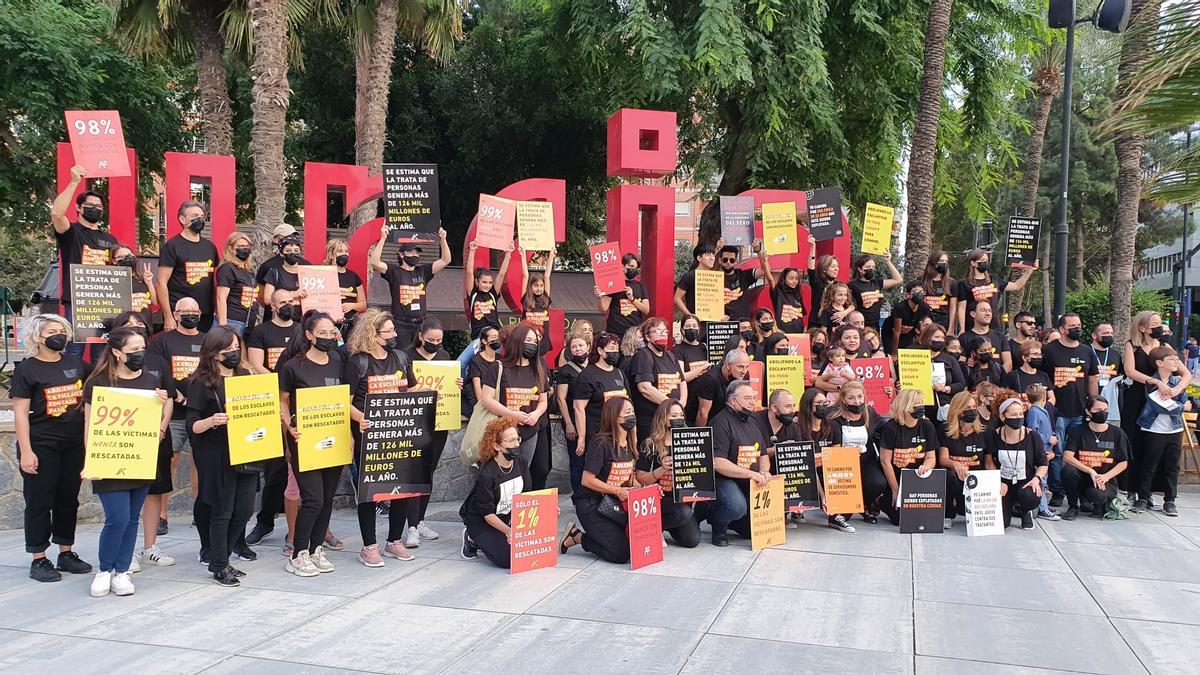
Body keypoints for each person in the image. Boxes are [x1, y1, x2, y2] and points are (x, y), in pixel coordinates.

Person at [81, 328, 172, 597]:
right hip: (109, 459)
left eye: (143, 348)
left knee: (132, 518)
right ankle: (104, 569)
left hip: (140, 459)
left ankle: (122, 571)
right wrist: (92, 459)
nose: (140, 354)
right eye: (134, 350)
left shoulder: (149, 382)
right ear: (117, 353)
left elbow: (157, 418)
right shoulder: (98, 382)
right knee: (117, 518)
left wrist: (161, 407)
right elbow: (89, 425)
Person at [13, 315, 93, 582]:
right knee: (39, 502)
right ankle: (39, 557)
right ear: (37, 336)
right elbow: (21, 414)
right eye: (52, 331)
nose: (59, 335)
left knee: (68, 499)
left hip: (72, 445)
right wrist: (26, 451)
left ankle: (66, 552)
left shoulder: (77, 365)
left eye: (62, 331)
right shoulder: (27, 369)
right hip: (41, 444)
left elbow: (99, 391)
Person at [343, 309, 416, 565]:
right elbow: (345, 401)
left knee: (402, 489)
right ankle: (369, 546)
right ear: (373, 335)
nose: (395, 335)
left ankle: (394, 541)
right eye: (389, 331)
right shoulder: (357, 363)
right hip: (369, 438)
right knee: (370, 491)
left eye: (394, 330)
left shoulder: (400, 358)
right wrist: (359, 418)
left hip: (399, 433)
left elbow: (412, 388)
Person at [187, 326, 258, 586]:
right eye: (227, 349)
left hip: (246, 449)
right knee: (223, 510)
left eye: (236, 347)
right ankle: (219, 563)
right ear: (214, 353)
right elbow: (192, 425)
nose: (233, 352)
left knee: (245, 509)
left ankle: (223, 556)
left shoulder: (245, 376)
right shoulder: (201, 382)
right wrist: (212, 421)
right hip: (216, 453)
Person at [279, 312, 347, 576]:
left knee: (327, 498)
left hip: (334, 437)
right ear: (308, 335)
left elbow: (343, 398)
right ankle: (298, 554)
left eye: (332, 332)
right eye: (322, 333)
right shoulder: (292, 366)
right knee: (313, 499)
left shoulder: (338, 361)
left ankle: (317, 548)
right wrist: (288, 427)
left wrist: (350, 435)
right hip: (304, 440)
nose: (328, 337)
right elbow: (283, 401)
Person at [242, 289, 301, 548]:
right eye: (282, 302)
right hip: (274, 403)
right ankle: (265, 522)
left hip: (302, 405)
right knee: (276, 470)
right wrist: (283, 380)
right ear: (273, 306)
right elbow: (256, 366)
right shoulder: (261, 332)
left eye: (291, 301)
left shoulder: (302, 329)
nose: (287, 305)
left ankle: (315, 527)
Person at [148, 298, 208, 529]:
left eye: (195, 311)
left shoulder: (207, 340)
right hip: (172, 413)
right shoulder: (161, 341)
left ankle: (200, 511)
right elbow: (157, 374)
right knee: (168, 463)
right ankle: (162, 515)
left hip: (201, 413)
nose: (190, 315)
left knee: (200, 464)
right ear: (175, 314)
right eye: (185, 311)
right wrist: (179, 396)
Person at [402, 318, 461, 545]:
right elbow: (401, 387)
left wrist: (455, 384)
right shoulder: (406, 357)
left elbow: (451, 386)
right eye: (431, 340)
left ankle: (420, 520)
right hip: (415, 422)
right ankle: (412, 526)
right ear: (420, 336)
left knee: (428, 472)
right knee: (414, 474)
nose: (435, 344)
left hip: (440, 422)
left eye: (439, 340)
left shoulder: (445, 357)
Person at [559, 397, 638, 562]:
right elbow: (587, 480)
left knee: (634, 542)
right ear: (614, 417)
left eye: (632, 412)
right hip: (591, 504)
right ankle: (578, 537)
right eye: (627, 413)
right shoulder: (601, 442)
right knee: (620, 554)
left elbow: (629, 478)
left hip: (613, 504)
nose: (632, 417)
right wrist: (617, 491)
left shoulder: (629, 443)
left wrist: (645, 489)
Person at [51, 165, 120, 355]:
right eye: (90, 206)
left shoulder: (111, 240)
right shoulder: (71, 232)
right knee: (74, 351)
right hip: (77, 302)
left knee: (102, 355)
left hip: (105, 304)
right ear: (78, 208)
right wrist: (74, 182)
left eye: (99, 207)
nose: (95, 209)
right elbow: (56, 214)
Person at [1120, 311, 1186, 496]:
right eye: (1154, 323)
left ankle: (1153, 491)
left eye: (1160, 323)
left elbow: (1185, 373)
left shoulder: (1165, 346)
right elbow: (1130, 371)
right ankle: (1133, 489)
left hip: (1161, 400)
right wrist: (1154, 381)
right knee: (1135, 442)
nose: (1159, 327)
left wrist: (1176, 389)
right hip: (1139, 398)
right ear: (1142, 328)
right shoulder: (1132, 346)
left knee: (1158, 447)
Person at [1040, 312, 1100, 507]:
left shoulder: (1086, 351)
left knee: (1079, 453)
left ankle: (1081, 493)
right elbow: (1043, 379)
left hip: (1080, 411)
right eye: (1073, 326)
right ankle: (1058, 491)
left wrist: (1094, 404)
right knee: (1057, 453)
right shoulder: (1049, 350)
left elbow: (1092, 379)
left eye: (1079, 325)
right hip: (1057, 412)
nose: (1077, 329)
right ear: (1062, 329)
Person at [480, 324, 550, 488]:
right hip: (503, 432)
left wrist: (536, 414)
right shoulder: (498, 367)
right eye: (528, 340)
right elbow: (486, 399)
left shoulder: (538, 370)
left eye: (534, 341)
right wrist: (512, 414)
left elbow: (543, 400)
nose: (532, 344)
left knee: (526, 471)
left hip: (530, 430)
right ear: (517, 341)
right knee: (501, 476)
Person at [701, 381, 771, 545]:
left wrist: (764, 471)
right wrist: (751, 474)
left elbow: (763, 454)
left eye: (753, 398)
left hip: (750, 481)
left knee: (750, 532)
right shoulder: (720, 423)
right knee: (736, 507)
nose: (752, 402)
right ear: (733, 400)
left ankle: (718, 514)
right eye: (747, 398)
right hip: (724, 480)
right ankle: (717, 527)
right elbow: (718, 462)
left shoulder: (752, 421)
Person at [460, 418, 530, 567]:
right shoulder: (487, 474)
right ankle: (472, 537)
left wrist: (547, 510)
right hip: (482, 519)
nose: (516, 444)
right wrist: (509, 531)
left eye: (517, 439)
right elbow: (487, 514)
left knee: (528, 550)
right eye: (510, 441)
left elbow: (527, 496)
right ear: (497, 446)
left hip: (505, 515)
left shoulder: (521, 462)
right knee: (508, 559)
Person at [369, 224, 451, 348]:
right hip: (401, 324)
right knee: (403, 355)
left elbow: (445, 260)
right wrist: (382, 238)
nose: (414, 255)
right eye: (410, 252)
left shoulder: (423, 271)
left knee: (420, 355)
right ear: (401, 255)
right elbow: (374, 262)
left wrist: (443, 239)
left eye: (417, 252)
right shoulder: (394, 271)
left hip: (421, 323)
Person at [635, 400, 702, 547]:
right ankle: (654, 527)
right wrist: (662, 469)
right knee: (683, 513)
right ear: (663, 418)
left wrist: (706, 467)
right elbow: (640, 478)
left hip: (683, 498)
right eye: (673, 415)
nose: (678, 419)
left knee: (692, 541)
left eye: (680, 415)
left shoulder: (691, 440)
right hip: (660, 497)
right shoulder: (650, 443)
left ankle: (667, 525)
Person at [1132, 345, 1187, 516]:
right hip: (1153, 428)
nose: (1175, 362)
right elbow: (1157, 405)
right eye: (1171, 359)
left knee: (1172, 466)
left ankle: (1170, 500)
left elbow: (1186, 402)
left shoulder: (1178, 382)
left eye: (1176, 359)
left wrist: (1177, 399)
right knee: (1149, 464)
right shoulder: (1151, 382)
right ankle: (1143, 497)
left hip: (1174, 429)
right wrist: (1177, 404)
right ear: (1159, 363)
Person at [571, 333, 630, 491]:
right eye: (611, 348)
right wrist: (582, 438)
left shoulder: (619, 373)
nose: (615, 352)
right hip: (597, 435)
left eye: (617, 348)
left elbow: (628, 403)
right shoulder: (588, 375)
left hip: (619, 434)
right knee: (596, 474)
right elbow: (578, 407)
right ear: (600, 351)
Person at [794, 388, 856, 532]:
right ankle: (796, 508)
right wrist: (822, 495)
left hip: (827, 470)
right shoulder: (797, 428)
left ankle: (835, 516)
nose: (824, 406)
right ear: (808, 406)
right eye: (819, 403)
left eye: (825, 402)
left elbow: (837, 458)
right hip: (807, 472)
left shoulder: (832, 425)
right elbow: (806, 465)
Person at [1062, 396, 1130, 520]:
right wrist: (1090, 471)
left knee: (1098, 495)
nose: (1102, 413)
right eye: (1098, 410)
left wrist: (1105, 477)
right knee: (1068, 471)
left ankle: (1097, 504)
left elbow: (1123, 463)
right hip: (1082, 476)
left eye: (1105, 409)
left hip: (1105, 478)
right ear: (1088, 412)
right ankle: (1073, 506)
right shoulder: (1077, 431)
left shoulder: (1117, 433)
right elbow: (1067, 457)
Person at [877, 389, 939, 526]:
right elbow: (885, 461)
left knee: (922, 520)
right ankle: (881, 501)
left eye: (921, 403)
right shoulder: (891, 427)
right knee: (900, 520)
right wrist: (895, 489)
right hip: (896, 477)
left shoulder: (927, 426)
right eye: (917, 404)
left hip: (917, 478)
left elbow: (931, 457)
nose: (921, 407)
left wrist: (926, 466)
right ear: (905, 406)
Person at [157, 200, 219, 332]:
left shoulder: (210, 247)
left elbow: (215, 281)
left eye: (202, 217)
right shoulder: (172, 246)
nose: (200, 220)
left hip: (205, 314)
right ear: (182, 219)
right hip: (180, 314)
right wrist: (168, 316)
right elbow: (161, 283)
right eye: (195, 216)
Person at [988, 395, 1048, 529]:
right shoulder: (993, 435)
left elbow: (1043, 463)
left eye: (1021, 413)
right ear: (1003, 417)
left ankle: (1026, 510)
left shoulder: (1032, 436)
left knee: (1029, 495)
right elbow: (989, 461)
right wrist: (996, 481)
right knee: (1001, 524)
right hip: (1003, 483)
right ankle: (1010, 508)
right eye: (1013, 414)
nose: (1018, 417)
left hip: (1026, 482)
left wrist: (1036, 479)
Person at [831, 382, 887, 523]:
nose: (857, 401)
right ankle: (844, 509)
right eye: (851, 398)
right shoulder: (834, 418)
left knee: (878, 483)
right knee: (842, 516)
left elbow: (886, 429)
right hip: (842, 465)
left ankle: (862, 505)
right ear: (843, 399)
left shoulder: (870, 413)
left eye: (860, 397)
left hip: (866, 461)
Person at [627, 317, 687, 442]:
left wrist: (680, 404)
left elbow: (682, 381)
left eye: (665, 332)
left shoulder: (671, 356)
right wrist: (671, 405)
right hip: (651, 421)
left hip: (672, 419)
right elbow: (645, 388)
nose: (663, 334)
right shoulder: (643, 355)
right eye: (658, 331)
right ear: (647, 337)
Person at [459, 240, 513, 374]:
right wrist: (472, 251)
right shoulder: (473, 294)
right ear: (477, 282)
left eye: (490, 282)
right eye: (484, 282)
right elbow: (469, 273)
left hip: (494, 337)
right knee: (460, 364)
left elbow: (501, 274)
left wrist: (508, 254)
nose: (487, 285)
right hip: (478, 338)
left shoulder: (493, 294)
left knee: (492, 368)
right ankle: (467, 389)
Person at [953, 249, 1037, 335]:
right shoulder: (964, 283)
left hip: (993, 326)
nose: (985, 262)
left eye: (986, 260)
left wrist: (1029, 271)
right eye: (982, 260)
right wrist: (962, 329)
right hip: (972, 326)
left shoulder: (994, 279)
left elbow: (1016, 286)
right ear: (973, 263)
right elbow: (961, 308)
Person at [938, 391, 990, 525]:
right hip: (956, 476)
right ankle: (947, 513)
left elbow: (989, 464)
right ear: (958, 410)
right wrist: (955, 464)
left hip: (976, 477)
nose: (972, 411)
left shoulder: (985, 432)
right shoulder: (945, 430)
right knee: (947, 474)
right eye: (968, 408)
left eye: (974, 407)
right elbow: (943, 459)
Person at [255, 224, 308, 322]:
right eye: (288, 250)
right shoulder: (269, 267)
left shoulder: (307, 266)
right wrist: (287, 299)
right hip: (276, 320)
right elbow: (263, 298)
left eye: (294, 236)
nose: (291, 239)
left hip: (302, 321)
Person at [1024, 384, 1061, 521]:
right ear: (1044, 397)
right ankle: (1042, 509)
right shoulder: (1034, 412)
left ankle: (1042, 504)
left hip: (1046, 449)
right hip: (1041, 450)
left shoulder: (1040, 410)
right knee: (1041, 480)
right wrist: (1048, 438)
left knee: (1044, 480)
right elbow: (1032, 432)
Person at [597, 252, 650, 339]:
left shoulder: (640, 286)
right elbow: (603, 308)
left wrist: (632, 299)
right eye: (631, 266)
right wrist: (600, 298)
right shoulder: (614, 283)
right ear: (623, 266)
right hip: (615, 333)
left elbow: (646, 310)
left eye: (636, 267)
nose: (634, 269)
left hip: (634, 333)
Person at [919, 323, 965, 421]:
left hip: (943, 408)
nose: (940, 340)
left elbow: (961, 384)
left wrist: (945, 388)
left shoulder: (950, 360)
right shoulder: (915, 357)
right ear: (927, 338)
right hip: (920, 407)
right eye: (937, 337)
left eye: (942, 338)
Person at [695, 349, 751, 426]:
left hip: (732, 421)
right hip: (711, 422)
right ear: (728, 365)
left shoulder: (744, 375)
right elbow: (703, 413)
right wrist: (701, 435)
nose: (744, 371)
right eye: (740, 367)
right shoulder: (710, 379)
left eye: (746, 367)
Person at [215, 232, 257, 335]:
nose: (245, 249)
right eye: (240, 246)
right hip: (233, 322)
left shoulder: (249, 270)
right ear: (230, 248)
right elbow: (221, 298)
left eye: (247, 246)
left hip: (248, 322)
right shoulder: (227, 268)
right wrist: (223, 326)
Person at [847, 252, 903, 330]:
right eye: (868, 267)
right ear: (860, 269)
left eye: (873, 267)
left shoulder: (877, 283)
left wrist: (888, 262)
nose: (871, 269)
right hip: (860, 326)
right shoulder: (852, 284)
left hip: (875, 326)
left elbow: (898, 280)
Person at [717, 241, 771, 320]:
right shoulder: (714, 277)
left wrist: (758, 252)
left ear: (736, 261)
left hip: (743, 323)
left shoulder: (743, 275)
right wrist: (716, 250)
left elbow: (765, 270)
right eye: (725, 260)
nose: (728, 263)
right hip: (721, 322)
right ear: (720, 260)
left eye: (731, 260)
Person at [110, 243, 157, 326]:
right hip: (124, 325)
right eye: (122, 256)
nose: (127, 258)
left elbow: (154, 302)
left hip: (144, 323)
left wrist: (149, 283)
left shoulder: (141, 278)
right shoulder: (111, 280)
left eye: (130, 255)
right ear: (114, 261)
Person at [557, 335, 590, 453]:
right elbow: (561, 398)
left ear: (588, 347)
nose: (578, 349)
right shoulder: (565, 370)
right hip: (573, 419)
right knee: (577, 460)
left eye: (581, 345)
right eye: (574, 347)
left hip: (593, 420)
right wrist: (569, 423)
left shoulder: (595, 367)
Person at [326, 238, 367, 334]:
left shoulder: (353, 276)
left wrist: (352, 306)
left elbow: (363, 304)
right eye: (340, 251)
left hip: (349, 326)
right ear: (331, 254)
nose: (344, 254)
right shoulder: (323, 274)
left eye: (346, 251)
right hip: (328, 324)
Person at [518, 247, 555, 354]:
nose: (539, 288)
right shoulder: (526, 298)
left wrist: (551, 256)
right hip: (528, 339)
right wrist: (523, 256)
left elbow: (547, 276)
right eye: (535, 285)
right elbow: (525, 275)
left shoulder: (545, 298)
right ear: (530, 286)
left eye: (541, 285)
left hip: (542, 339)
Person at [959, 300, 1011, 372]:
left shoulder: (1000, 337)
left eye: (990, 311)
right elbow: (961, 364)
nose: (988, 313)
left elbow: (1008, 363)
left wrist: (999, 378)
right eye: (983, 310)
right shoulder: (963, 338)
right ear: (973, 314)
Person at [464, 325, 502, 419]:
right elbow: (478, 392)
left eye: (498, 337)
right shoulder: (476, 361)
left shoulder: (501, 359)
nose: (497, 340)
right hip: (481, 406)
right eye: (493, 337)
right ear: (484, 341)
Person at [260, 236, 308, 307]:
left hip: (305, 315)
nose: (293, 253)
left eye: (296, 250)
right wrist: (293, 295)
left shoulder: (308, 270)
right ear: (281, 253)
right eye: (288, 251)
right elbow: (267, 299)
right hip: (283, 315)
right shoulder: (274, 273)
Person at [673, 242, 718, 317]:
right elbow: (677, 298)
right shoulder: (689, 276)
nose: (712, 258)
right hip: (695, 323)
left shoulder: (716, 277)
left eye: (713, 254)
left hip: (713, 322)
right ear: (699, 258)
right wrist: (689, 315)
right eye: (708, 254)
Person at [892, 281, 931, 353]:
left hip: (911, 333)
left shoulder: (925, 307)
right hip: (892, 333)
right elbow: (896, 332)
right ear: (908, 295)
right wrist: (894, 353)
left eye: (922, 292)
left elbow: (924, 326)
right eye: (916, 292)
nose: (919, 294)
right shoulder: (900, 307)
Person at [920, 251, 956, 330]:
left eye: (946, 261)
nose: (944, 263)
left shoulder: (951, 283)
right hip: (926, 321)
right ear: (934, 262)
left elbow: (953, 307)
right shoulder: (921, 281)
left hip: (943, 322)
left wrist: (951, 328)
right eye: (941, 261)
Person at [674, 314, 711, 385]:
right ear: (682, 329)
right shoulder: (678, 349)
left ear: (699, 329)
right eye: (687, 326)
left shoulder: (704, 347)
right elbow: (681, 377)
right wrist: (701, 368)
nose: (691, 329)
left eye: (694, 326)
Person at [770, 266, 810, 332]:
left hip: (799, 334)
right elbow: (770, 279)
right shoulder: (778, 292)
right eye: (791, 278)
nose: (794, 281)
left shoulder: (798, 295)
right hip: (783, 333)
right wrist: (764, 263)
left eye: (796, 279)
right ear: (784, 279)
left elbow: (800, 317)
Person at [807, 250, 839, 320]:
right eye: (833, 266)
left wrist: (844, 313)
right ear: (824, 269)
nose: (836, 269)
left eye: (837, 266)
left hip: (832, 322)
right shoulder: (817, 283)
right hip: (817, 323)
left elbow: (851, 303)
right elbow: (811, 267)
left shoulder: (839, 285)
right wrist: (813, 246)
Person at [1091, 323, 1122, 390]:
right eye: (1105, 333)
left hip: (1111, 395)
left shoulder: (1116, 354)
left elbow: (1120, 374)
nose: (1109, 336)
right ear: (1094, 336)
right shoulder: (1086, 352)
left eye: (1111, 333)